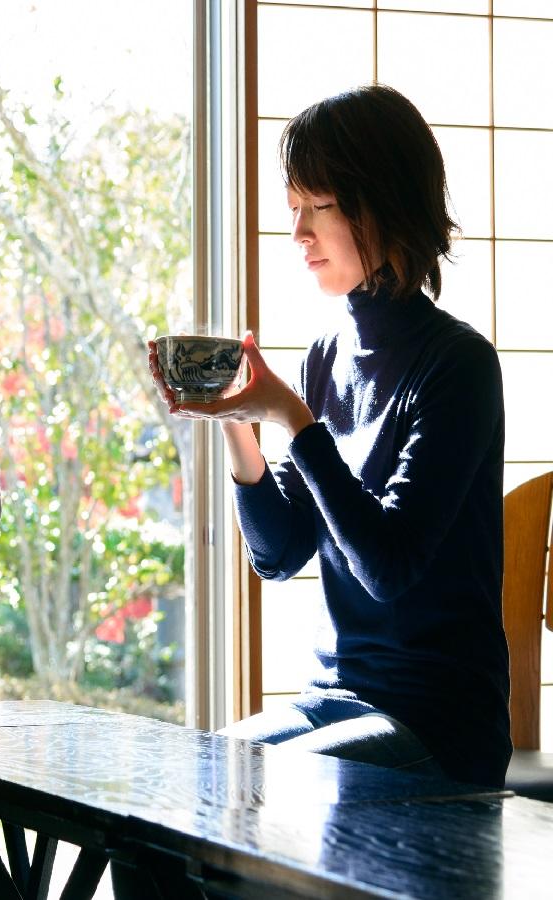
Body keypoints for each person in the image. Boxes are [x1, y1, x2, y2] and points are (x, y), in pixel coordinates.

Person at [148, 84, 511, 788]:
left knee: (266, 792)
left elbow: (388, 566)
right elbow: (279, 553)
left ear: (381, 204)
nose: (299, 235)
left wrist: (292, 418)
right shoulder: (326, 354)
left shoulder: (459, 365)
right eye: (295, 210)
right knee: (177, 792)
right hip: (336, 699)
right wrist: (238, 425)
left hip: (437, 721)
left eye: (319, 208)